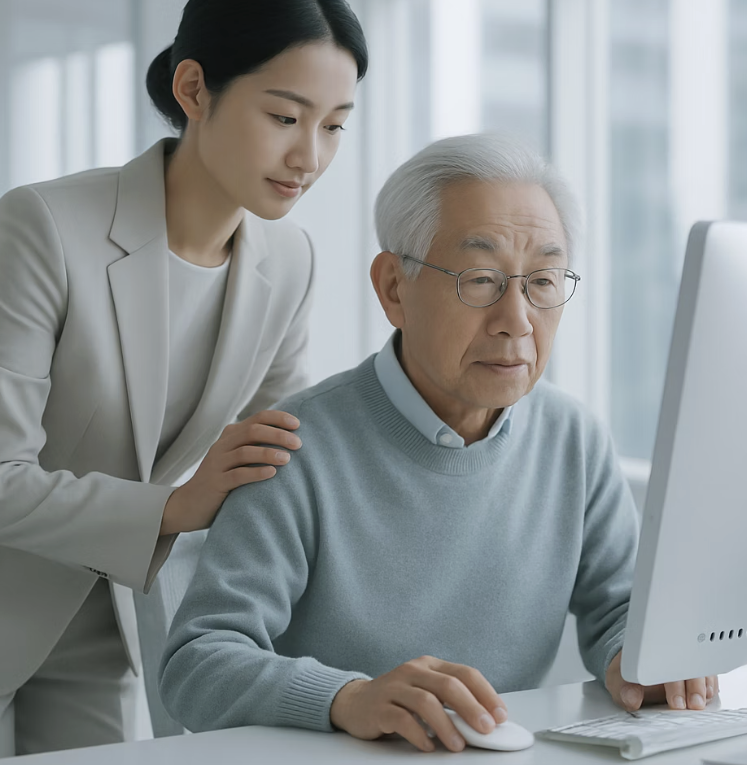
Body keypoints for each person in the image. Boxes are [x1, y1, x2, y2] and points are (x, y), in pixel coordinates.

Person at [158, 133, 720, 753]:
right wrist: (348, 698)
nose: (517, 321)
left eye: (543, 281)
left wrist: (638, 661)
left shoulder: (574, 438)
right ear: (394, 288)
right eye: (480, 280)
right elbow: (197, 664)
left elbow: (620, 609)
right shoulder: (293, 446)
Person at [0, 0, 367, 762]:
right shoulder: (45, 225)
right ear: (195, 89)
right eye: (285, 116)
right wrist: (174, 506)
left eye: (335, 125)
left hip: (111, 630)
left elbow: (280, 454)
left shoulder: (290, 261)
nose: (310, 156)